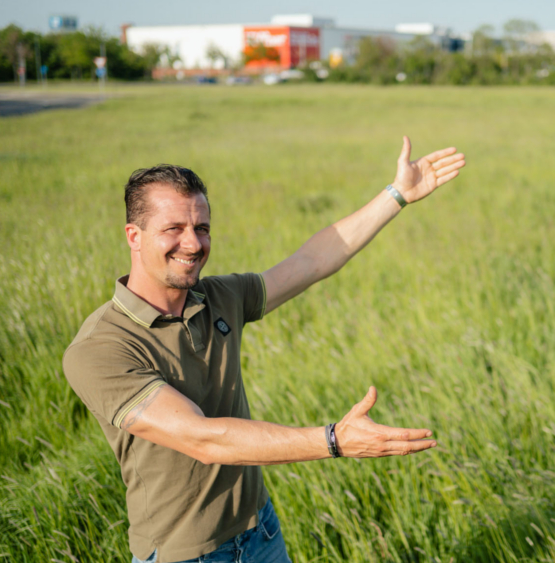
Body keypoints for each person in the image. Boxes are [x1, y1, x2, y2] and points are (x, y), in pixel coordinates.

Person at [62, 137, 466, 563]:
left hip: (260, 532)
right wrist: (333, 441)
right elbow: (204, 439)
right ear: (134, 236)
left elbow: (311, 262)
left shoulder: (219, 296)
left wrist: (397, 194)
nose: (194, 244)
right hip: (183, 554)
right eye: (173, 229)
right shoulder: (100, 348)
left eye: (201, 228)